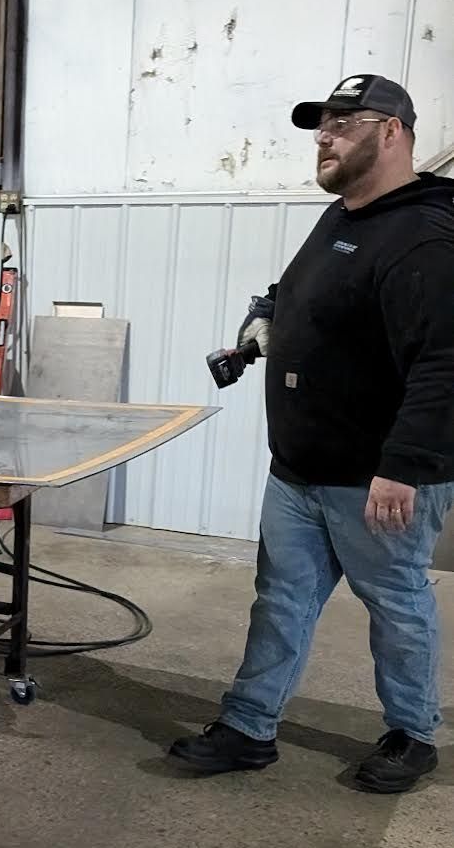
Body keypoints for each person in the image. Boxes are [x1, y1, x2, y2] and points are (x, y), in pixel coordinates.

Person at [171, 73, 454, 793]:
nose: (324, 137)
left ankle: (413, 735)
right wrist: (267, 314)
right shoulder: (343, 216)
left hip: (376, 478)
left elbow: (445, 363)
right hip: (299, 468)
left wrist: (405, 466)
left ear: (391, 132)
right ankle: (249, 727)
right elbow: (302, 288)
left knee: (396, 605)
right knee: (282, 600)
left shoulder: (426, 236)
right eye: (321, 124)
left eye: (343, 123)